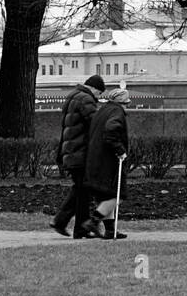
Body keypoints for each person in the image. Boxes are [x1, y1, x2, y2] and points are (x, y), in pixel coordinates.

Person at [50, 74, 104, 237]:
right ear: (94, 88)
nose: (98, 97)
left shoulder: (73, 96)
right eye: (99, 94)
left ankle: (64, 223)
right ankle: (76, 227)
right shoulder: (86, 99)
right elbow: (95, 123)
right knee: (83, 190)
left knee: (81, 189)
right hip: (80, 152)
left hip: (71, 151)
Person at [79, 85, 131, 240]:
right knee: (117, 195)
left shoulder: (102, 110)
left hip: (95, 159)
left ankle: (110, 230)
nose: (127, 107)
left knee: (106, 195)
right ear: (122, 103)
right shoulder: (117, 112)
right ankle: (93, 221)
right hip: (107, 161)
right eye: (126, 103)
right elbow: (111, 131)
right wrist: (120, 150)